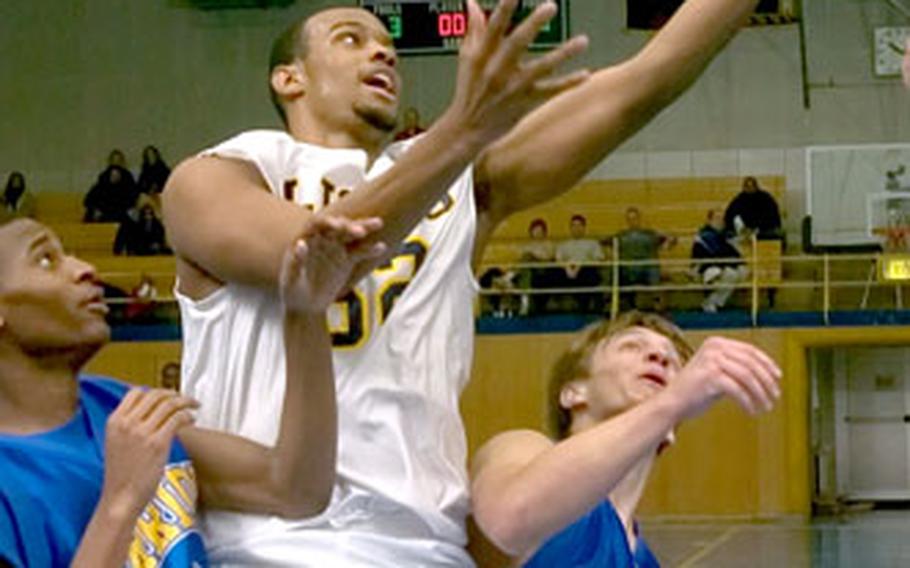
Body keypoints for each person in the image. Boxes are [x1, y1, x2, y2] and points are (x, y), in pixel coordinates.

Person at [161, 0, 765, 564]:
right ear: (289, 79)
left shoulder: (463, 178)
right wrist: (460, 132)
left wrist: (460, 140)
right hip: (265, 544)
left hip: (425, 545)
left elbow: (644, 83)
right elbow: (319, 259)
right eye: (351, 39)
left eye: (387, 45)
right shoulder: (218, 175)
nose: (383, 53)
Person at [0, 214, 384, 567]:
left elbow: (295, 488)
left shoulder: (119, 410)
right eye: (46, 260)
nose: (85, 270)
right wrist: (121, 500)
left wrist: (305, 312)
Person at [470, 312, 781, 566]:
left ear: (670, 432)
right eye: (631, 346)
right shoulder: (520, 447)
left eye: (674, 362)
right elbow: (509, 517)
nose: (660, 356)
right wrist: (672, 401)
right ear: (573, 392)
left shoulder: (645, 561)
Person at [608, 207, 676, 310]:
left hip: (646, 268)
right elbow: (604, 241)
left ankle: (657, 304)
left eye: (634, 218)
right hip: (627, 269)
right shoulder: (621, 235)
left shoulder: (649, 234)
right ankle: (613, 305)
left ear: (639, 219)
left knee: (653, 269)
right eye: (629, 219)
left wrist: (668, 242)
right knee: (614, 269)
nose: (632, 221)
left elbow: (671, 239)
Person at [692, 208, 748, 312]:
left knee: (742, 271)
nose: (720, 221)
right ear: (709, 220)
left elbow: (735, 255)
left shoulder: (725, 236)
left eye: (722, 219)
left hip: (723, 265)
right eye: (717, 218)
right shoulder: (704, 236)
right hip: (706, 267)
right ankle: (711, 303)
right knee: (730, 274)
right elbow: (711, 255)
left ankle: (714, 302)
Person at [555, 214, 605, 312]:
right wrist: (567, 267)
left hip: (586, 270)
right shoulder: (564, 245)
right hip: (568, 272)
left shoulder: (592, 243)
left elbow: (599, 259)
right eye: (574, 225)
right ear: (570, 228)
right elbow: (558, 259)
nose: (576, 228)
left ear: (584, 228)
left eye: (579, 225)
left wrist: (581, 265)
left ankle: (585, 308)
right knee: (554, 274)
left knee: (590, 274)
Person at [723, 176, 783, 241]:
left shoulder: (766, 199)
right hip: (743, 231)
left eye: (751, 186)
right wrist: (742, 229)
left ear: (756, 186)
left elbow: (772, 216)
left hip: (763, 230)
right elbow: (730, 216)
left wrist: (757, 229)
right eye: (747, 187)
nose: (749, 189)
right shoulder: (739, 200)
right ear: (744, 187)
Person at [520, 218, 557, 314]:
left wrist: (534, 256)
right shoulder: (527, 245)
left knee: (527, 258)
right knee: (525, 269)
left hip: (543, 270)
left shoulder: (549, 244)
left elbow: (549, 257)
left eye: (540, 230)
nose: (537, 233)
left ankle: (508, 278)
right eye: (535, 230)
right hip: (530, 271)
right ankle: (525, 299)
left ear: (544, 232)